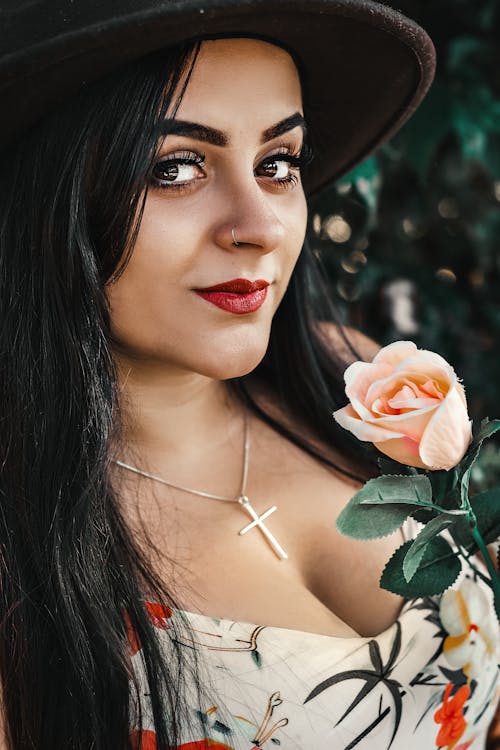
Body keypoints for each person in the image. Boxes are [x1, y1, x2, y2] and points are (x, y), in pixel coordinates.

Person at [0, 1, 498, 748]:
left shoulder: (356, 381)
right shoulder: (23, 573)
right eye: (173, 168)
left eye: (277, 163)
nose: (259, 224)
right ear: (45, 196)